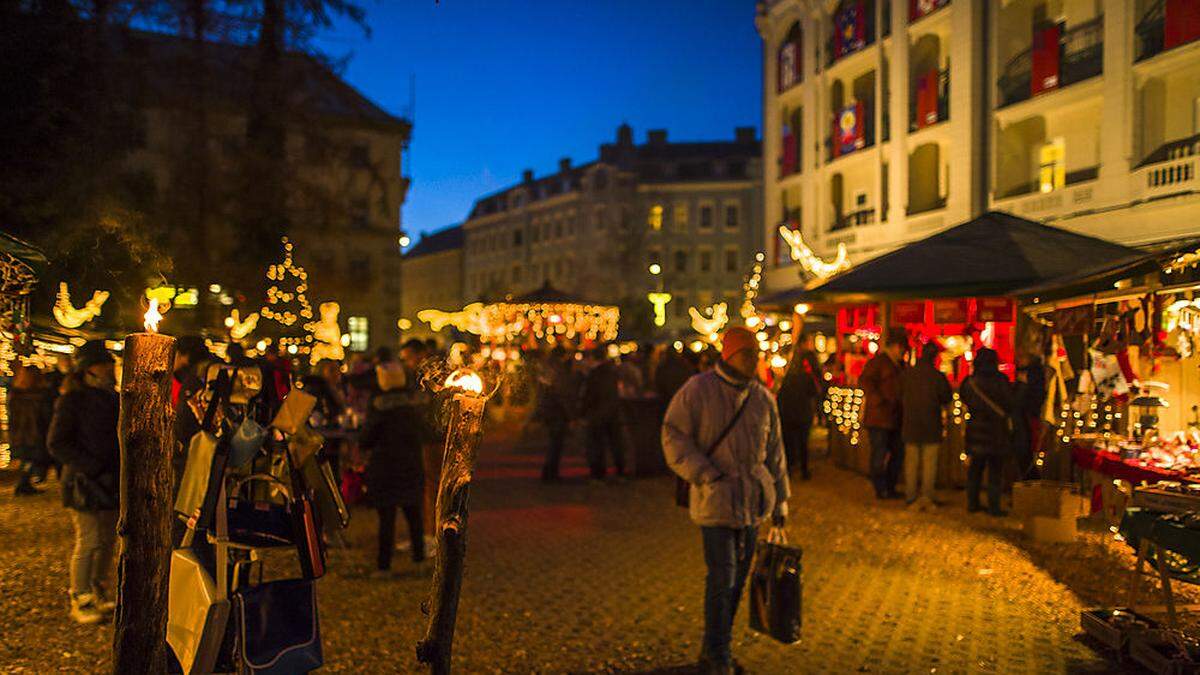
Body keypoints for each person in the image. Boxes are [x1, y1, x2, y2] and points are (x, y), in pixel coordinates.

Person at [662, 326, 790, 675]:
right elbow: (673, 434)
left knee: (739, 578)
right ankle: (717, 654)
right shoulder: (698, 390)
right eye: (748, 353)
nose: (755, 360)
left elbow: (776, 455)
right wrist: (704, 473)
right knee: (723, 577)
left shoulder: (763, 398)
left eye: (756, 354)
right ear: (731, 354)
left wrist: (780, 504)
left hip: (752, 503)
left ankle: (717, 648)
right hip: (715, 500)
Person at [47, 340, 120, 624]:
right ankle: (80, 596)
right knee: (89, 540)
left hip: (110, 481)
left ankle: (98, 588)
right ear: (89, 369)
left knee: (107, 540)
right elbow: (57, 443)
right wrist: (92, 466)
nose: (110, 368)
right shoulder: (72, 400)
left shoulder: (113, 398)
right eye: (104, 364)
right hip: (84, 483)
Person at [362, 346, 428, 576]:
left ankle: (384, 565)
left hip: (385, 469)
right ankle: (419, 559)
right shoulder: (412, 411)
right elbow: (424, 434)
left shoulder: (379, 411)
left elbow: (366, 440)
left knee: (386, 521)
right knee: (414, 516)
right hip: (410, 467)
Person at [959, 347, 1014, 516]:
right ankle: (993, 506)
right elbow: (1009, 402)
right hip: (997, 432)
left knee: (975, 469)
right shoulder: (1001, 381)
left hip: (976, 430)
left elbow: (964, 397)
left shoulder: (970, 382)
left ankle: (973, 503)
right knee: (995, 472)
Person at [900, 342, 952, 508]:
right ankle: (927, 495)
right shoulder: (938, 376)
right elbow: (946, 397)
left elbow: (899, 393)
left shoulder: (908, 374)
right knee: (930, 462)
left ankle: (910, 496)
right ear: (935, 357)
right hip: (931, 423)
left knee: (911, 462)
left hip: (910, 422)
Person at [861, 333, 907, 500]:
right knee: (879, 455)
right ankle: (881, 489)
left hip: (893, 417)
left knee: (897, 454)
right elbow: (865, 381)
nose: (903, 351)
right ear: (893, 346)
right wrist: (880, 400)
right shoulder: (879, 362)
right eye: (901, 348)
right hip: (879, 417)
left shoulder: (900, 365)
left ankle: (889, 486)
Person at [776, 336, 823, 480]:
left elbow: (781, 397)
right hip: (803, 413)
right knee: (803, 442)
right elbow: (815, 392)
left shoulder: (787, 379)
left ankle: (790, 469)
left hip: (789, 414)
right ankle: (804, 470)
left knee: (790, 442)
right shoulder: (806, 377)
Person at [9, 363, 54, 496]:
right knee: (32, 459)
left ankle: (25, 483)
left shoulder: (15, 394)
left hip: (20, 432)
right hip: (34, 432)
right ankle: (23, 484)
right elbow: (44, 414)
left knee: (28, 459)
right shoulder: (40, 395)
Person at [582, 346, 624, 481]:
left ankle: (598, 473)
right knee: (615, 444)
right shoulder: (612, 372)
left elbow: (590, 395)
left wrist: (584, 411)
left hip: (598, 413)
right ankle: (620, 470)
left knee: (597, 445)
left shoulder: (594, 374)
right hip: (611, 412)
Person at [536, 347, 575, 482]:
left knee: (554, 442)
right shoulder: (558, 369)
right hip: (556, 412)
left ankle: (549, 472)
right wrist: (569, 413)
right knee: (555, 444)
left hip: (549, 410)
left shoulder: (546, 367)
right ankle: (551, 473)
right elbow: (560, 393)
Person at [1012, 351, 1047, 480]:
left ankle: (1030, 485)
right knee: (1025, 455)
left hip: (1026, 420)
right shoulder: (1032, 374)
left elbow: (1020, 401)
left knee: (1026, 455)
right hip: (1026, 420)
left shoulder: (1029, 376)